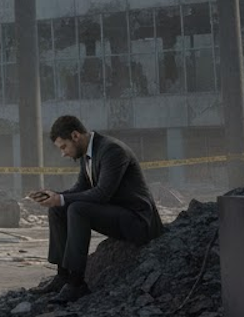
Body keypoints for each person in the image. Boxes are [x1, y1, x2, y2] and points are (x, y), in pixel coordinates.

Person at [27, 115, 164, 304]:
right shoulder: (87, 155)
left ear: (75, 135)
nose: (63, 154)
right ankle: (63, 276)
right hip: (118, 215)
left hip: (139, 221)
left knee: (77, 209)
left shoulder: (112, 150)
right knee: (57, 210)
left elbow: (101, 194)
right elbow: (80, 189)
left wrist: (61, 199)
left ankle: (76, 284)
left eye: (63, 147)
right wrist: (53, 195)